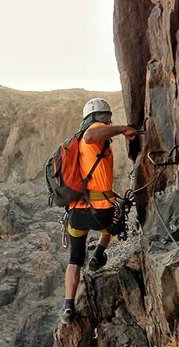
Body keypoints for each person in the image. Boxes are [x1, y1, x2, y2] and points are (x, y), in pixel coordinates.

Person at [61, 98, 137, 324]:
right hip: (99, 212)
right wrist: (123, 129)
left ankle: (68, 307)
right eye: (108, 119)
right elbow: (92, 135)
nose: (110, 122)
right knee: (117, 214)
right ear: (101, 118)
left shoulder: (78, 144)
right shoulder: (93, 133)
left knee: (74, 259)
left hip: (76, 214)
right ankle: (97, 256)